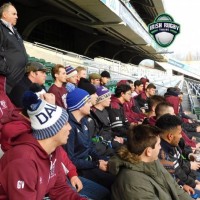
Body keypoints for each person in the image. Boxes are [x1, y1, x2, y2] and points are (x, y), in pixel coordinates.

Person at [0, 92, 85, 200]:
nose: (70, 128)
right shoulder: (23, 161)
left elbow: (59, 188)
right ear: (52, 130)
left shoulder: (54, 151)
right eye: (65, 123)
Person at [108, 125, 193, 200]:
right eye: (159, 144)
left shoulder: (153, 161)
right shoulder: (133, 183)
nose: (160, 148)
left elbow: (174, 187)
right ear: (148, 151)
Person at [64, 87, 115, 191]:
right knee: (112, 183)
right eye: (88, 102)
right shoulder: (68, 127)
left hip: (90, 162)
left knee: (116, 169)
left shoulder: (84, 121)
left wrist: (99, 159)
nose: (91, 105)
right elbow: (70, 160)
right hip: (80, 169)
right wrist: (96, 164)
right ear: (79, 106)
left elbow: (89, 145)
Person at [156, 114, 200, 194]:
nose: (181, 136)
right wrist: (193, 184)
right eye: (179, 133)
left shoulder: (173, 143)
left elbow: (182, 164)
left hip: (188, 179)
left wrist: (194, 179)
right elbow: (177, 175)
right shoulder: (162, 154)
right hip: (181, 188)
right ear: (170, 136)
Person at [0, 2, 27, 94]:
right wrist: (6, 71)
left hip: (18, 78)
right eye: (14, 14)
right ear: (4, 14)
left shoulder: (15, 31)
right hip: (7, 80)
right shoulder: (1, 28)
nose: (17, 17)